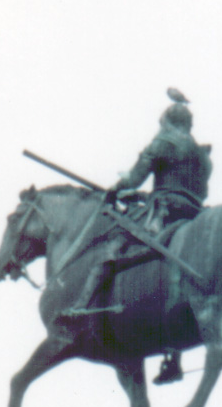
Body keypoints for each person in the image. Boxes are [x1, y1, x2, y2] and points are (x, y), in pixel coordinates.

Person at [65, 99, 212, 384]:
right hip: (193, 214)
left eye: (162, 123)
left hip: (164, 212)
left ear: (168, 122)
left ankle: (81, 306)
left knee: (111, 250)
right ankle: (173, 356)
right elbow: (191, 189)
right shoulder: (202, 155)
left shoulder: (164, 142)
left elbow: (134, 177)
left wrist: (115, 189)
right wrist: (144, 196)